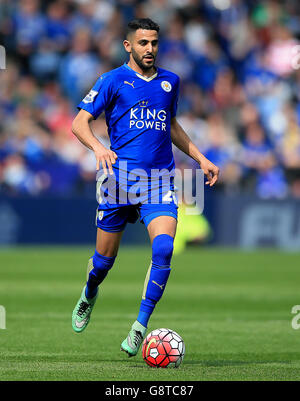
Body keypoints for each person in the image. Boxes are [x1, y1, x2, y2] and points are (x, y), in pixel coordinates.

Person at [71, 18, 219, 357]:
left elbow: (171, 125)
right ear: (128, 46)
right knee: (102, 263)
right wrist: (99, 148)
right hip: (119, 182)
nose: (149, 49)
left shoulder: (171, 81)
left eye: (153, 42)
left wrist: (200, 157)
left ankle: (139, 326)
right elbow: (79, 123)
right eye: (142, 43)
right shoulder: (111, 80)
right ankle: (90, 292)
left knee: (164, 249)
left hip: (159, 182)